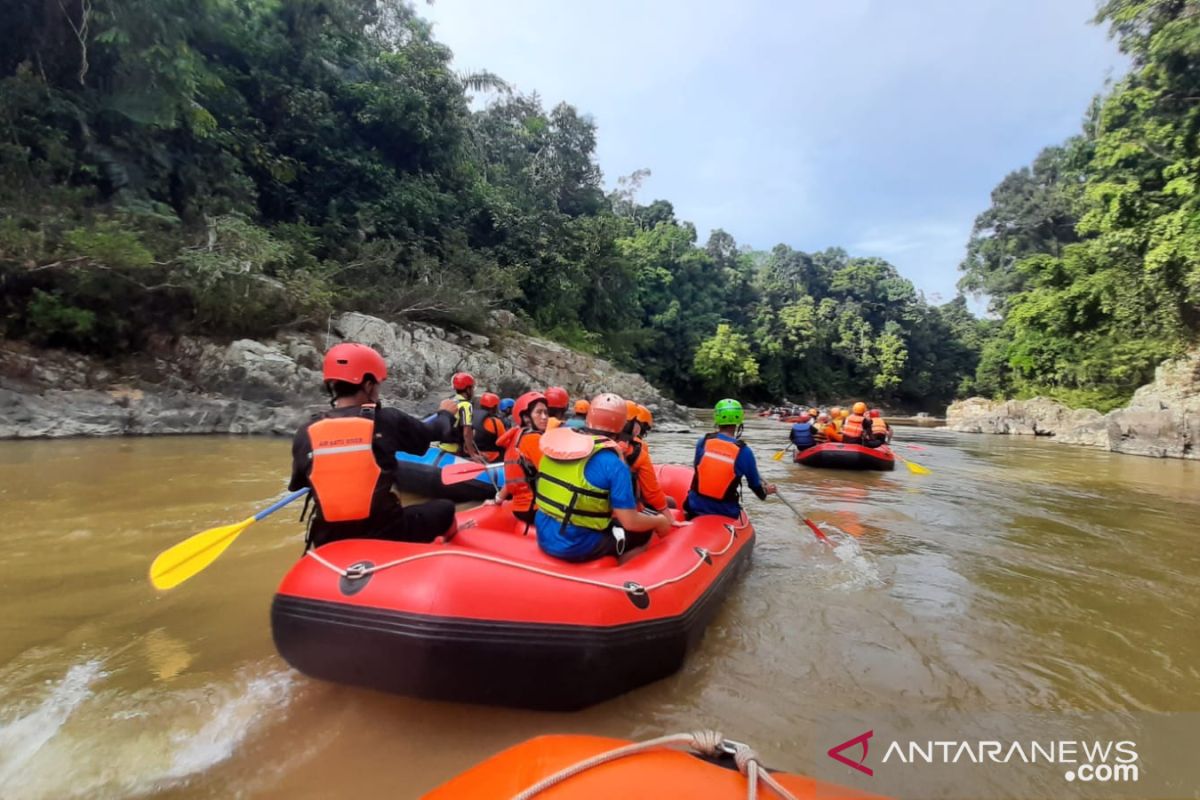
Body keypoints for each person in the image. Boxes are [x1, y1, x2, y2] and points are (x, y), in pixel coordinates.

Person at [289, 343, 457, 549]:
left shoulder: (306, 431)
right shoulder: (387, 420)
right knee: (446, 508)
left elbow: (300, 483)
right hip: (386, 531)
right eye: (377, 384)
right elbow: (433, 433)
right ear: (368, 385)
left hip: (327, 539)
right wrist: (445, 413)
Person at [535, 393, 676, 562]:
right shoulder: (615, 464)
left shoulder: (558, 447)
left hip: (543, 532)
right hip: (576, 544)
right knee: (644, 532)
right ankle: (624, 576)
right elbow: (630, 522)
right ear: (623, 424)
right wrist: (659, 521)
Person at [684, 398, 776, 520]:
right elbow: (756, 488)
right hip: (724, 512)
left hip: (694, 506)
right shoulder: (745, 452)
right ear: (739, 420)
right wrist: (766, 491)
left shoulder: (702, 442)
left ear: (717, 417)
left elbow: (699, 469)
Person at [493, 391, 549, 526]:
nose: (544, 417)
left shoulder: (515, 438)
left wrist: (498, 499)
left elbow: (514, 477)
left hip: (520, 508)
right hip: (535, 509)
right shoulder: (533, 439)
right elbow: (553, 476)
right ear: (526, 417)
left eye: (546, 413)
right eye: (539, 412)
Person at [620, 402, 670, 513]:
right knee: (671, 502)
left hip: (613, 506)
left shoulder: (601, 442)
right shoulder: (640, 448)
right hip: (634, 506)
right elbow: (651, 492)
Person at [438, 372, 481, 459]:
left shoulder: (448, 401)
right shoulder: (466, 405)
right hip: (455, 450)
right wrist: (472, 454)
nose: (473, 391)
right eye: (472, 388)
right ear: (468, 389)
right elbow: (466, 433)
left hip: (442, 448)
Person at [472, 392, 507, 462]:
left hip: (476, 456)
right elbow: (504, 442)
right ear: (494, 407)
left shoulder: (471, 418)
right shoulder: (495, 422)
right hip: (493, 457)